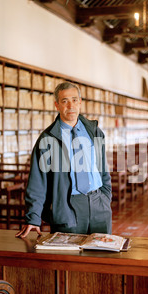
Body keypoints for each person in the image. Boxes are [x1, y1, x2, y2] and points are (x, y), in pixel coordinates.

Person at [16, 81, 112, 238]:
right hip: (67, 207)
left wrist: (105, 197)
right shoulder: (47, 139)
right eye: (64, 101)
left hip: (99, 205)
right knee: (70, 260)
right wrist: (33, 218)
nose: (70, 106)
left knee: (102, 258)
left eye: (74, 100)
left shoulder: (94, 131)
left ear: (80, 102)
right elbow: (37, 182)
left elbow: (102, 169)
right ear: (57, 105)